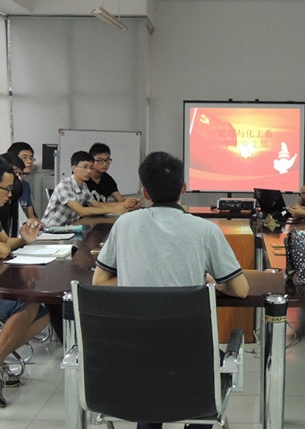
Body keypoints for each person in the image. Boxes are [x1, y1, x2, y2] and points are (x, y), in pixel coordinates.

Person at [92, 151, 249, 429]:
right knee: (197, 383)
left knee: (150, 377)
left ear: (145, 193)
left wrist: (135, 277)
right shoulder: (204, 230)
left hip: (133, 354)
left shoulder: (124, 224)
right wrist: (207, 280)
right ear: (183, 188)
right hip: (192, 357)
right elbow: (240, 289)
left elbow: (100, 281)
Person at [0, 154, 50, 407]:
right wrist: (8, 245)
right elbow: (1, 250)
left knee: (42, 314)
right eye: (7, 188)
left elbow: (5, 243)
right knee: (25, 304)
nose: (10, 194)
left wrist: (24, 238)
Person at [41, 151, 139, 227]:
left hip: (68, 229)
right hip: (51, 230)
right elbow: (81, 211)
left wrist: (125, 206)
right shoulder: (64, 185)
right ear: (74, 168)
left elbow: (97, 204)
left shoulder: (83, 186)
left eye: (91, 167)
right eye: (85, 167)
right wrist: (113, 209)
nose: (88, 171)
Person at [7, 142, 40, 222]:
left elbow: (31, 216)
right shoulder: (6, 185)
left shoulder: (25, 185)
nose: (29, 161)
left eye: (31, 158)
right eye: (24, 157)